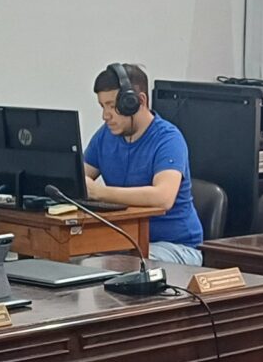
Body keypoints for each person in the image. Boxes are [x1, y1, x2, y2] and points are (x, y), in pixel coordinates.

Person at [82, 62, 206, 265]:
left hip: (176, 247)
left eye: (112, 106)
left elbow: (163, 197)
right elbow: (78, 179)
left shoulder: (168, 139)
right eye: (103, 106)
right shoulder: (105, 136)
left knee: (124, 265)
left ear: (138, 101)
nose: (105, 116)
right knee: (73, 263)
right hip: (126, 243)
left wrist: (98, 192)